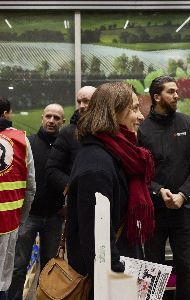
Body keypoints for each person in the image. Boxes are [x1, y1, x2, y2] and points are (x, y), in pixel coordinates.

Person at [66, 81, 154, 299]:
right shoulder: (97, 165)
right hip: (109, 284)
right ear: (113, 112)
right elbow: (99, 246)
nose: (141, 117)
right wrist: (122, 286)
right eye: (134, 108)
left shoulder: (116, 156)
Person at [137, 75, 190, 300]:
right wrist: (158, 191)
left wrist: (183, 194)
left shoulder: (187, 124)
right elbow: (138, 173)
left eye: (177, 91)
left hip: (183, 210)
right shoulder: (143, 130)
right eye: (171, 91)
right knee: (153, 268)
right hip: (154, 211)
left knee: (186, 266)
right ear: (157, 96)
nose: (177, 95)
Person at [8, 104, 65, 299]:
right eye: (48, 116)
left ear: (63, 122)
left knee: (49, 267)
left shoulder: (64, 148)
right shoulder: (28, 144)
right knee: (18, 266)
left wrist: (66, 206)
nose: (51, 120)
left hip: (54, 217)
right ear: (42, 118)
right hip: (28, 217)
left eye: (56, 118)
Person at [0, 97, 36, 300]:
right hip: (8, 222)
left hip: (10, 222)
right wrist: (21, 219)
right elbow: (31, 187)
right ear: (6, 113)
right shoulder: (21, 141)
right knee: (2, 282)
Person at [46, 86, 96, 196]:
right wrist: (73, 188)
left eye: (86, 101)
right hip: (79, 201)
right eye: (79, 102)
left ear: (98, 102)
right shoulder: (68, 133)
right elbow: (52, 169)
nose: (81, 106)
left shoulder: (108, 130)